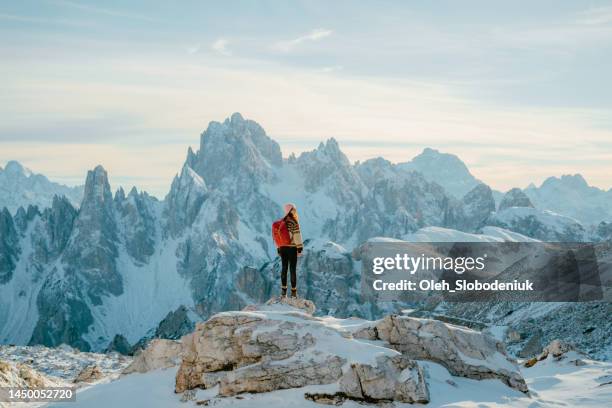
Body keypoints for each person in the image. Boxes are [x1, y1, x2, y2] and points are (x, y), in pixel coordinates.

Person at [273, 203, 303, 298]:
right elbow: (297, 236)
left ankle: (283, 292)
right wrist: (300, 248)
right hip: (292, 248)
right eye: (294, 209)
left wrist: (278, 248)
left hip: (282, 248)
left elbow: (277, 237)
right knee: (292, 269)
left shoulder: (282, 222)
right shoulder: (293, 222)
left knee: (284, 269)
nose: (295, 211)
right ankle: (293, 292)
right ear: (291, 210)